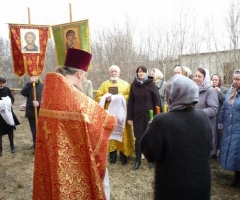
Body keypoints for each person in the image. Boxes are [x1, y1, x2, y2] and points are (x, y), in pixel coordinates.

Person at [32, 49, 116, 200]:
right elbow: (106, 122)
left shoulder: (50, 92)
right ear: (79, 74)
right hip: (76, 160)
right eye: (84, 76)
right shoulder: (75, 98)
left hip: (52, 156)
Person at [140, 75, 212, 200]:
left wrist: (151, 127)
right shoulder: (203, 117)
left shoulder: (162, 121)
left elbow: (150, 154)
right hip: (201, 184)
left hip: (173, 188)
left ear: (172, 94)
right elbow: (209, 147)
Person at [95, 65, 134, 165]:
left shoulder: (125, 84)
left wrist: (120, 97)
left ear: (119, 73)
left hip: (121, 114)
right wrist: (105, 98)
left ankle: (123, 156)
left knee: (122, 133)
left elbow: (130, 96)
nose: (113, 73)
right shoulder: (104, 85)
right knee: (110, 133)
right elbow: (98, 96)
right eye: (112, 71)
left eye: (115, 71)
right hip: (110, 114)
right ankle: (112, 156)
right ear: (109, 73)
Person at [127, 66, 160, 170]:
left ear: (146, 73)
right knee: (138, 137)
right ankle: (138, 160)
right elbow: (131, 102)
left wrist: (157, 115)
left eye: (143, 72)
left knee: (149, 136)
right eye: (139, 72)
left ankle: (151, 159)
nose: (141, 74)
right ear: (137, 73)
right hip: (137, 116)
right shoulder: (133, 85)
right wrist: (130, 117)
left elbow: (156, 100)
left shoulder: (151, 84)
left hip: (149, 115)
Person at [218, 70, 240, 187]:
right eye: (234, 79)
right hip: (229, 129)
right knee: (233, 152)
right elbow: (224, 109)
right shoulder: (230, 92)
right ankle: (237, 174)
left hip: (238, 129)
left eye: (237, 79)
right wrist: (221, 125)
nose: (234, 81)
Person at [194, 68, 218, 158]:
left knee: (204, 154)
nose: (196, 78)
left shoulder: (210, 90)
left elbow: (213, 109)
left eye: (199, 76)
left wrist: (196, 113)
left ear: (205, 78)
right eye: (195, 76)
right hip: (196, 124)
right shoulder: (195, 89)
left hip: (206, 125)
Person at [21, 76, 43, 150]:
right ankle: (36, 149)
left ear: (38, 76)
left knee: (41, 132)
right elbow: (23, 92)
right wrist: (29, 84)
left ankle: (42, 148)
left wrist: (39, 103)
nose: (33, 78)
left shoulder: (43, 86)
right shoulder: (29, 85)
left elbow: (47, 99)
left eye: (35, 76)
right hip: (31, 113)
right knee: (34, 133)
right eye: (32, 76)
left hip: (41, 113)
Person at [0, 76, 20, 156]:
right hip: (0, 115)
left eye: (3, 83)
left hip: (7, 113)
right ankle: (0, 149)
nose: (1, 85)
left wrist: (9, 102)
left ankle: (12, 145)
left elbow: (12, 99)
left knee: (10, 130)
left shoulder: (7, 89)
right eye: (0, 83)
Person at [211, 74, 228, 157]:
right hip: (212, 115)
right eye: (213, 79)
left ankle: (221, 152)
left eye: (216, 80)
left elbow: (227, 100)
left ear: (219, 80)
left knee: (220, 134)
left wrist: (219, 93)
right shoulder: (210, 89)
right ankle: (213, 152)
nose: (214, 81)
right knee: (213, 133)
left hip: (220, 116)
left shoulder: (224, 90)